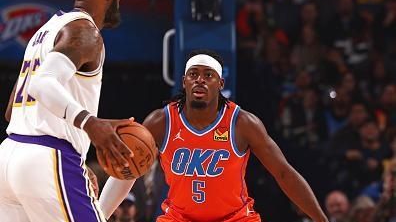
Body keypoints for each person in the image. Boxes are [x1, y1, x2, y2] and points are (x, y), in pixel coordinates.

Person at [99, 50, 329, 222]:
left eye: (208, 75)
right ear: (184, 82)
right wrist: (98, 216)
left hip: (235, 218)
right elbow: (129, 170)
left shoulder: (242, 123)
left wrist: (321, 219)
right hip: (180, 218)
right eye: (193, 74)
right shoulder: (161, 121)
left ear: (220, 83)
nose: (200, 79)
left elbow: (283, 173)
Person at [0, 0, 134, 222]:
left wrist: (86, 129)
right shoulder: (85, 32)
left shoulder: (45, 31)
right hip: (47, 157)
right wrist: (90, 124)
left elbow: (11, 109)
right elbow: (42, 85)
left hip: (8, 158)